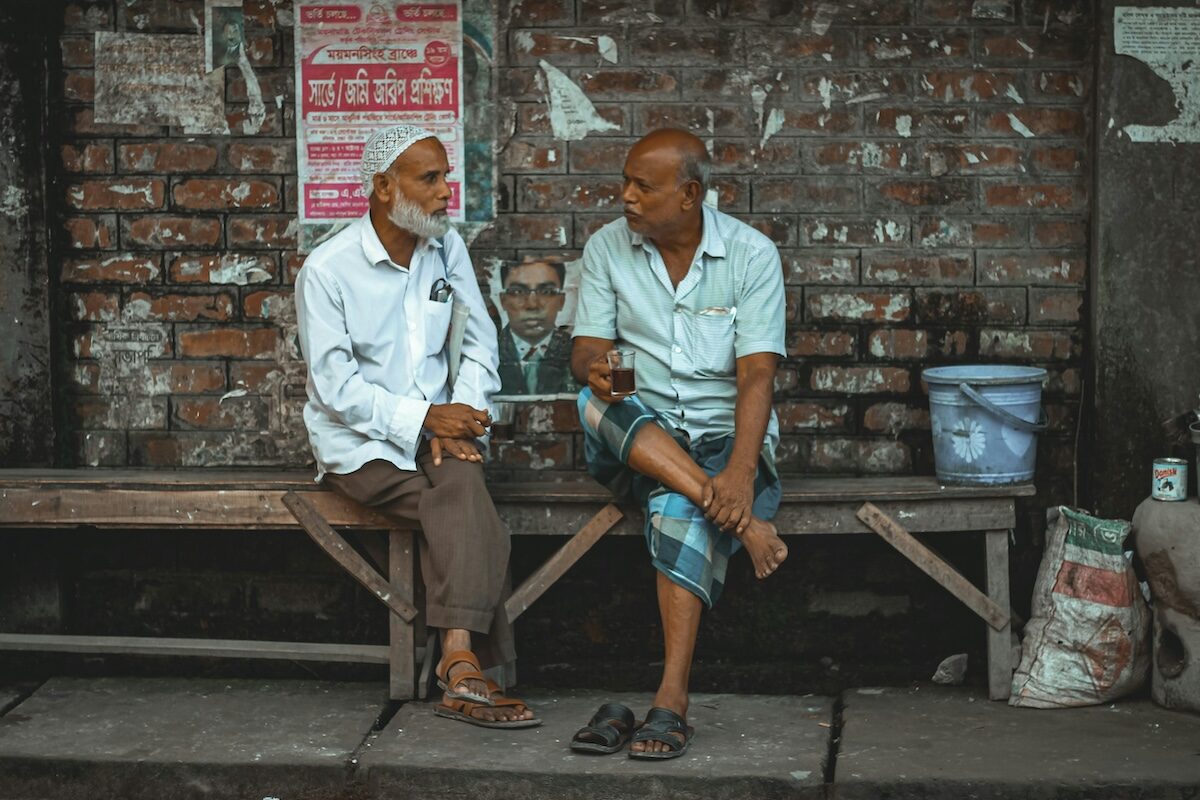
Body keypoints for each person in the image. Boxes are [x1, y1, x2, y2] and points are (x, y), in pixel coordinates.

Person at [295, 124, 538, 728]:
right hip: (361, 446)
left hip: (441, 436)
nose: (445, 192)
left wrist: (462, 416)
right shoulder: (327, 270)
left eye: (446, 177)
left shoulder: (445, 249)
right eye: (430, 179)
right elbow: (336, 389)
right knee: (464, 506)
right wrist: (426, 419)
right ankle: (466, 664)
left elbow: (481, 344)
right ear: (383, 187)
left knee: (458, 488)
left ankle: (457, 662)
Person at [569, 128, 788, 758]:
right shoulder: (608, 247)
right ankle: (740, 524)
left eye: (644, 185)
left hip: (725, 436)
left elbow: (756, 373)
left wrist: (741, 472)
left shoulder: (751, 256)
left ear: (690, 194)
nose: (627, 197)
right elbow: (585, 348)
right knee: (590, 401)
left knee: (677, 506)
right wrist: (596, 368)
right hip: (640, 433)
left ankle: (670, 698)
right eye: (626, 182)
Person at [497, 256, 577, 395]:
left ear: (561, 301)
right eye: (518, 292)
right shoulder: (487, 351)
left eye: (546, 292)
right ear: (503, 301)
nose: (532, 305)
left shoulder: (577, 353)